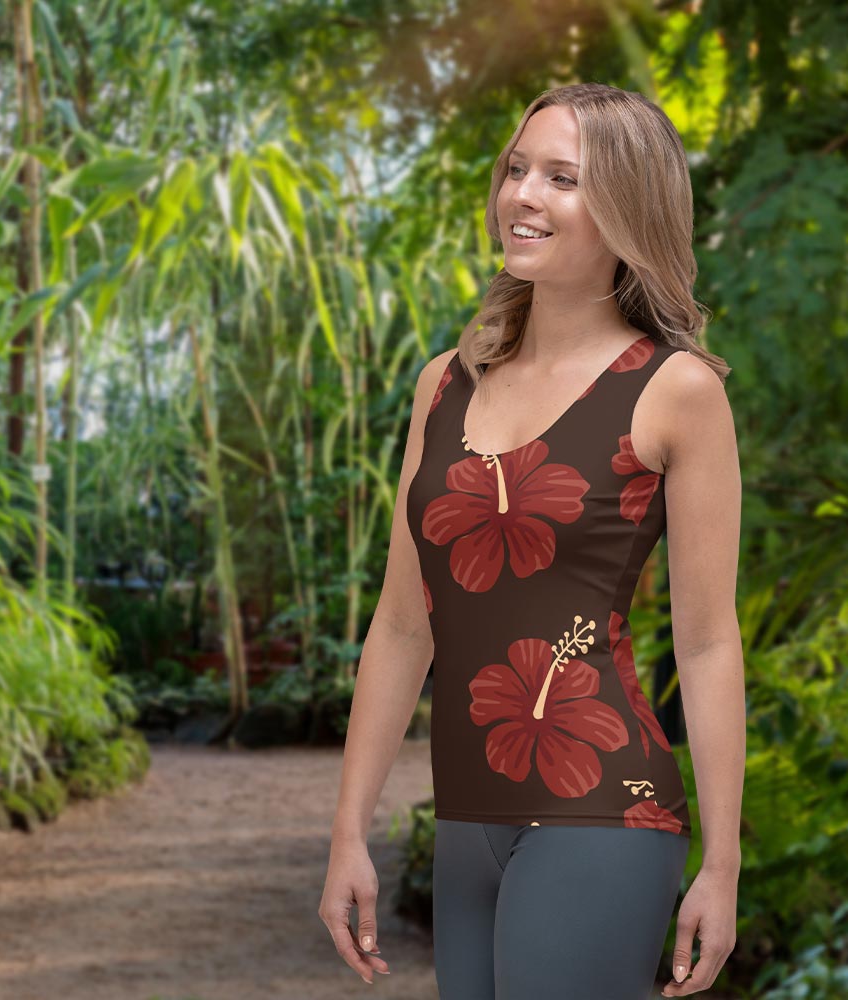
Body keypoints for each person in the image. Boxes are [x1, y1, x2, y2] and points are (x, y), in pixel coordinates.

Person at [318, 83, 745, 999]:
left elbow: (707, 643)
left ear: (627, 209)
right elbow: (402, 626)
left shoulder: (676, 392)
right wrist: (349, 829)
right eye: (517, 169)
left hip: (603, 811)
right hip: (464, 819)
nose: (523, 195)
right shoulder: (444, 385)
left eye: (562, 178)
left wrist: (725, 861)